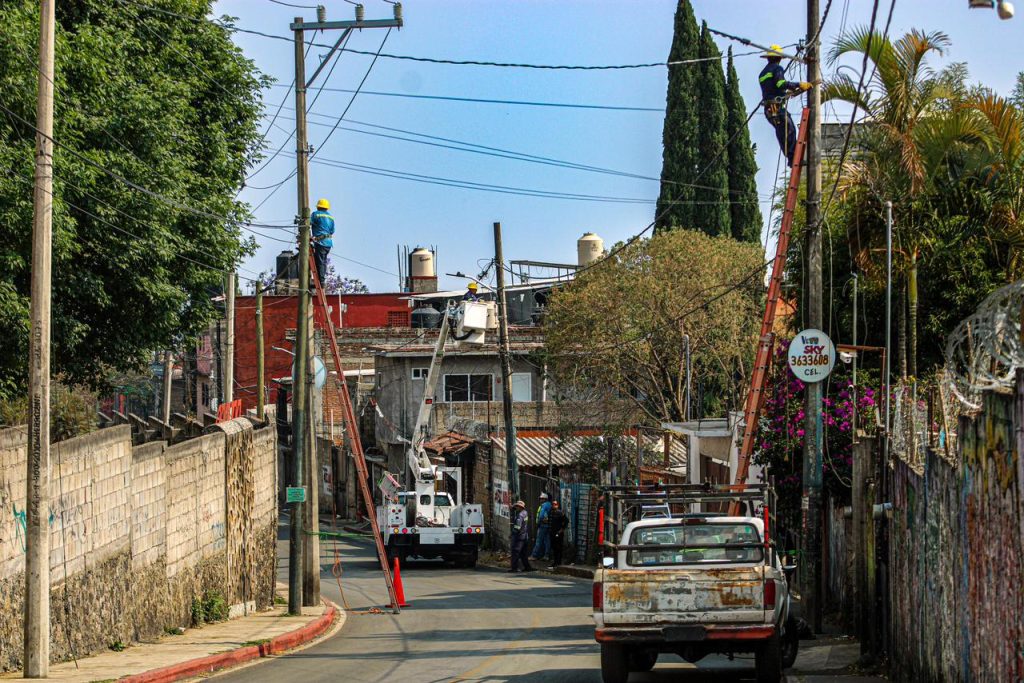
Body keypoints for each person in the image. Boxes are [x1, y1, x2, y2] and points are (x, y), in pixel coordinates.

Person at [758, 44, 812, 167]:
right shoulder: (777, 69)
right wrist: (798, 84)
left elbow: (772, 89)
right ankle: (793, 159)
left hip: (769, 110)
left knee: (782, 133)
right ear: (779, 58)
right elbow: (780, 84)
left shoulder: (762, 73)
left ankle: (791, 159)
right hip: (777, 108)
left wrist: (786, 93)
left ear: (768, 58)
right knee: (790, 130)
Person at [310, 198, 335, 284]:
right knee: (323, 261)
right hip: (328, 243)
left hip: (321, 242)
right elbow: (332, 231)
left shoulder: (316, 214)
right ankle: (321, 279)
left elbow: (307, 223)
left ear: (318, 207)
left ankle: (321, 281)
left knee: (320, 262)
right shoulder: (331, 217)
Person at [509, 500, 532, 572]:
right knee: (523, 553)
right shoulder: (525, 513)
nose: (516, 507)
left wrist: (512, 534)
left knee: (515, 552)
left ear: (520, 507)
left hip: (519, 537)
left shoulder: (520, 515)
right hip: (525, 536)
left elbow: (517, 527)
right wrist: (513, 508)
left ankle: (514, 568)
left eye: (517, 506)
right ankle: (527, 567)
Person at [530, 492, 552, 561]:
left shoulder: (544, 505)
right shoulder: (549, 505)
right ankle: (546, 556)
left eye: (542, 499)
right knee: (547, 541)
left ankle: (534, 555)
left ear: (545, 499)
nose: (540, 500)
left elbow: (541, 516)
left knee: (539, 541)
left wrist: (539, 523)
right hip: (547, 525)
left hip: (542, 525)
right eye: (540, 499)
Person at [547, 500, 567, 569]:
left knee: (558, 547)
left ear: (557, 505)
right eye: (553, 504)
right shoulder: (550, 512)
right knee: (554, 548)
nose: (554, 506)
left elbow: (566, 521)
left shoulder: (560, 513)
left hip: (558, 533)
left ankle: (558, 562)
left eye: (555, 504)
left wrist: (561, 530)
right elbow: (549, 522)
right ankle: (555, 562)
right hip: (552, 533)